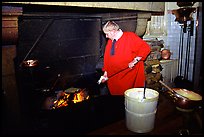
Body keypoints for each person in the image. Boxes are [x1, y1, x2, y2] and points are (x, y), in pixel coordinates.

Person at [98, 21, 151, 95]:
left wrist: (135, 60)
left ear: (113, 31)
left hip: (128, 73)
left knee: (127, 95)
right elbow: (107, 59)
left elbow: (145, 48)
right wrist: (105, 73)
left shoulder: (130, 36)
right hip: (115, 73)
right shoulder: (110, 41)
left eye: (107, 34)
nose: (106, 36)